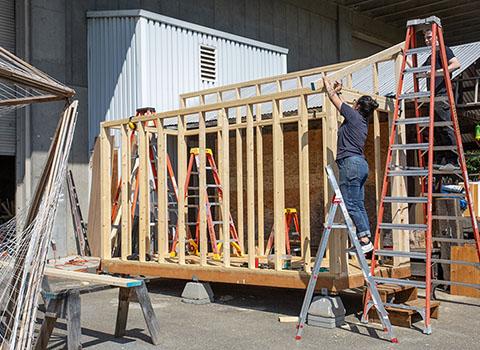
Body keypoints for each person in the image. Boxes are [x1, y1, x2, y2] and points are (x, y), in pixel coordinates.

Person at [323, 75, 379, 254]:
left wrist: (328, 85)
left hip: (352, 164)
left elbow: (333, 99)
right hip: (360, 165)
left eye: (355, 103)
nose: (352, 104)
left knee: (350, 203)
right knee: (358, 203)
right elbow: (345, 107)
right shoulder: (360, 120)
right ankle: (366, 239)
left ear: (358, 107)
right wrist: (340, 92)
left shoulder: (354, 116)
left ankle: (363, 239)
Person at [412, 29, 461, 170]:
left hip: (442, 94)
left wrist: (436, 72)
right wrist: (406, 59)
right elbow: (420, 71)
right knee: (437, 129)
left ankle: (453, 160)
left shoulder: (444, 50)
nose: (427, 41)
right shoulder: (432, 56)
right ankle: (444, 159)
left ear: (437, 36)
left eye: (429, 37)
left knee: (445, 126)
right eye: (425, 38)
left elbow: (456, 64)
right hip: (434, 96)